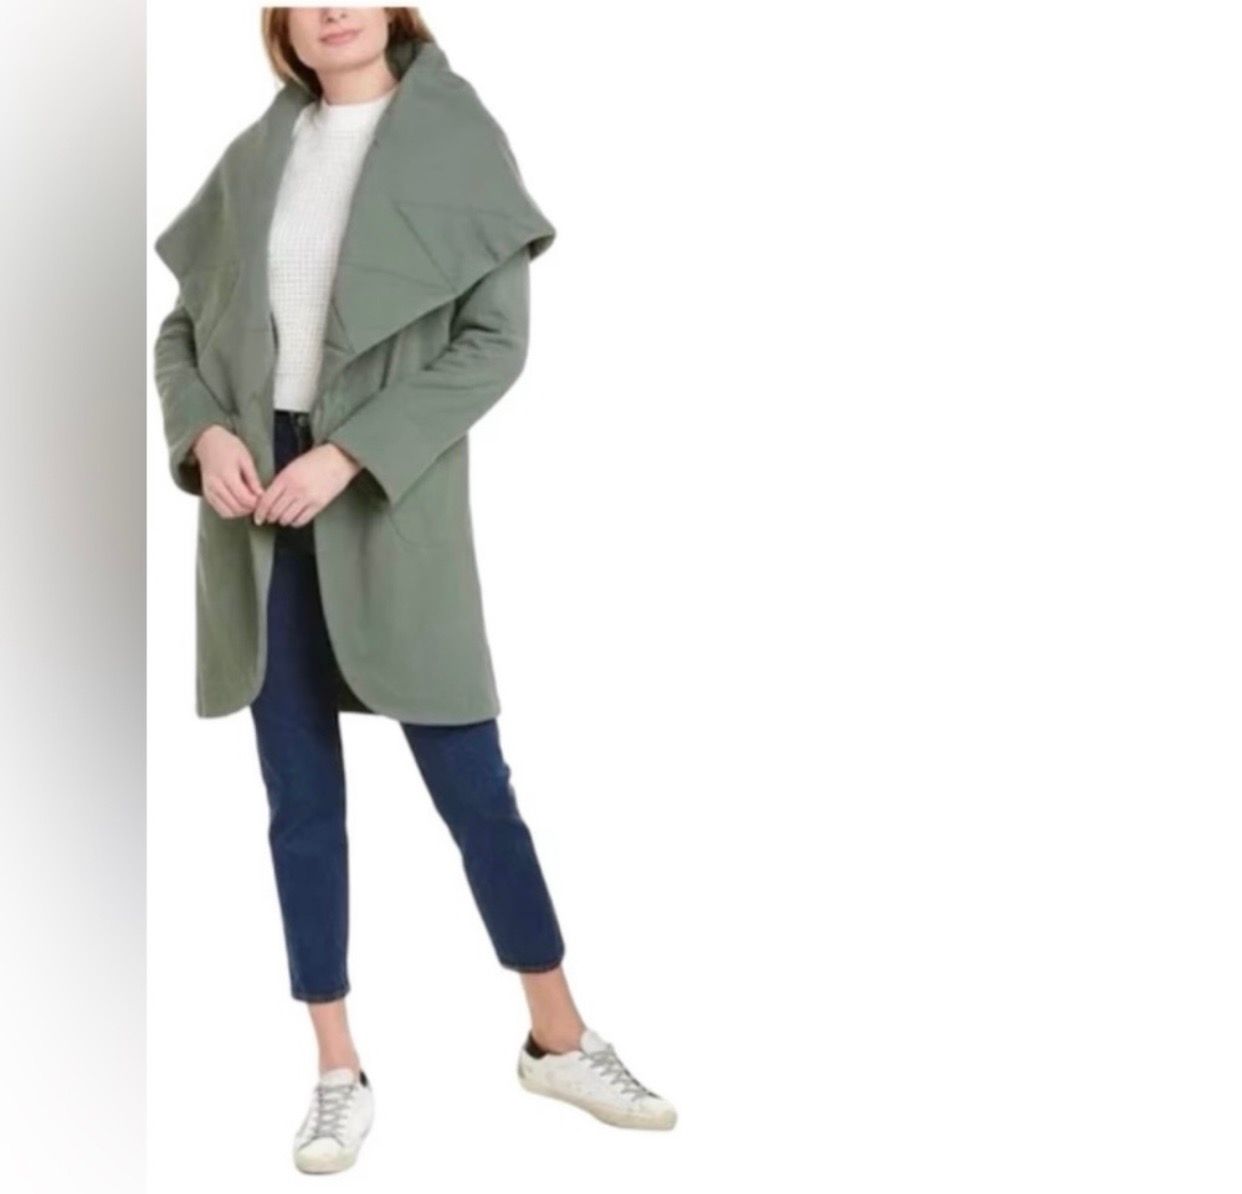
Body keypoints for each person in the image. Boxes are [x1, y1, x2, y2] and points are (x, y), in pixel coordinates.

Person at [152, 8, 676, 1174]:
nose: (330, 7)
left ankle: (558, 1038)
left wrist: (351, 453)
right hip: (254, 503)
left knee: (474, 785)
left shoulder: (456, 138)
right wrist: (205, 436)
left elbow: (493, 344)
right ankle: (336, 1070)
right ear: (282, 22)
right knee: (299, 799)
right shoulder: (256, 153)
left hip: (386, 491)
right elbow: (181, 332)